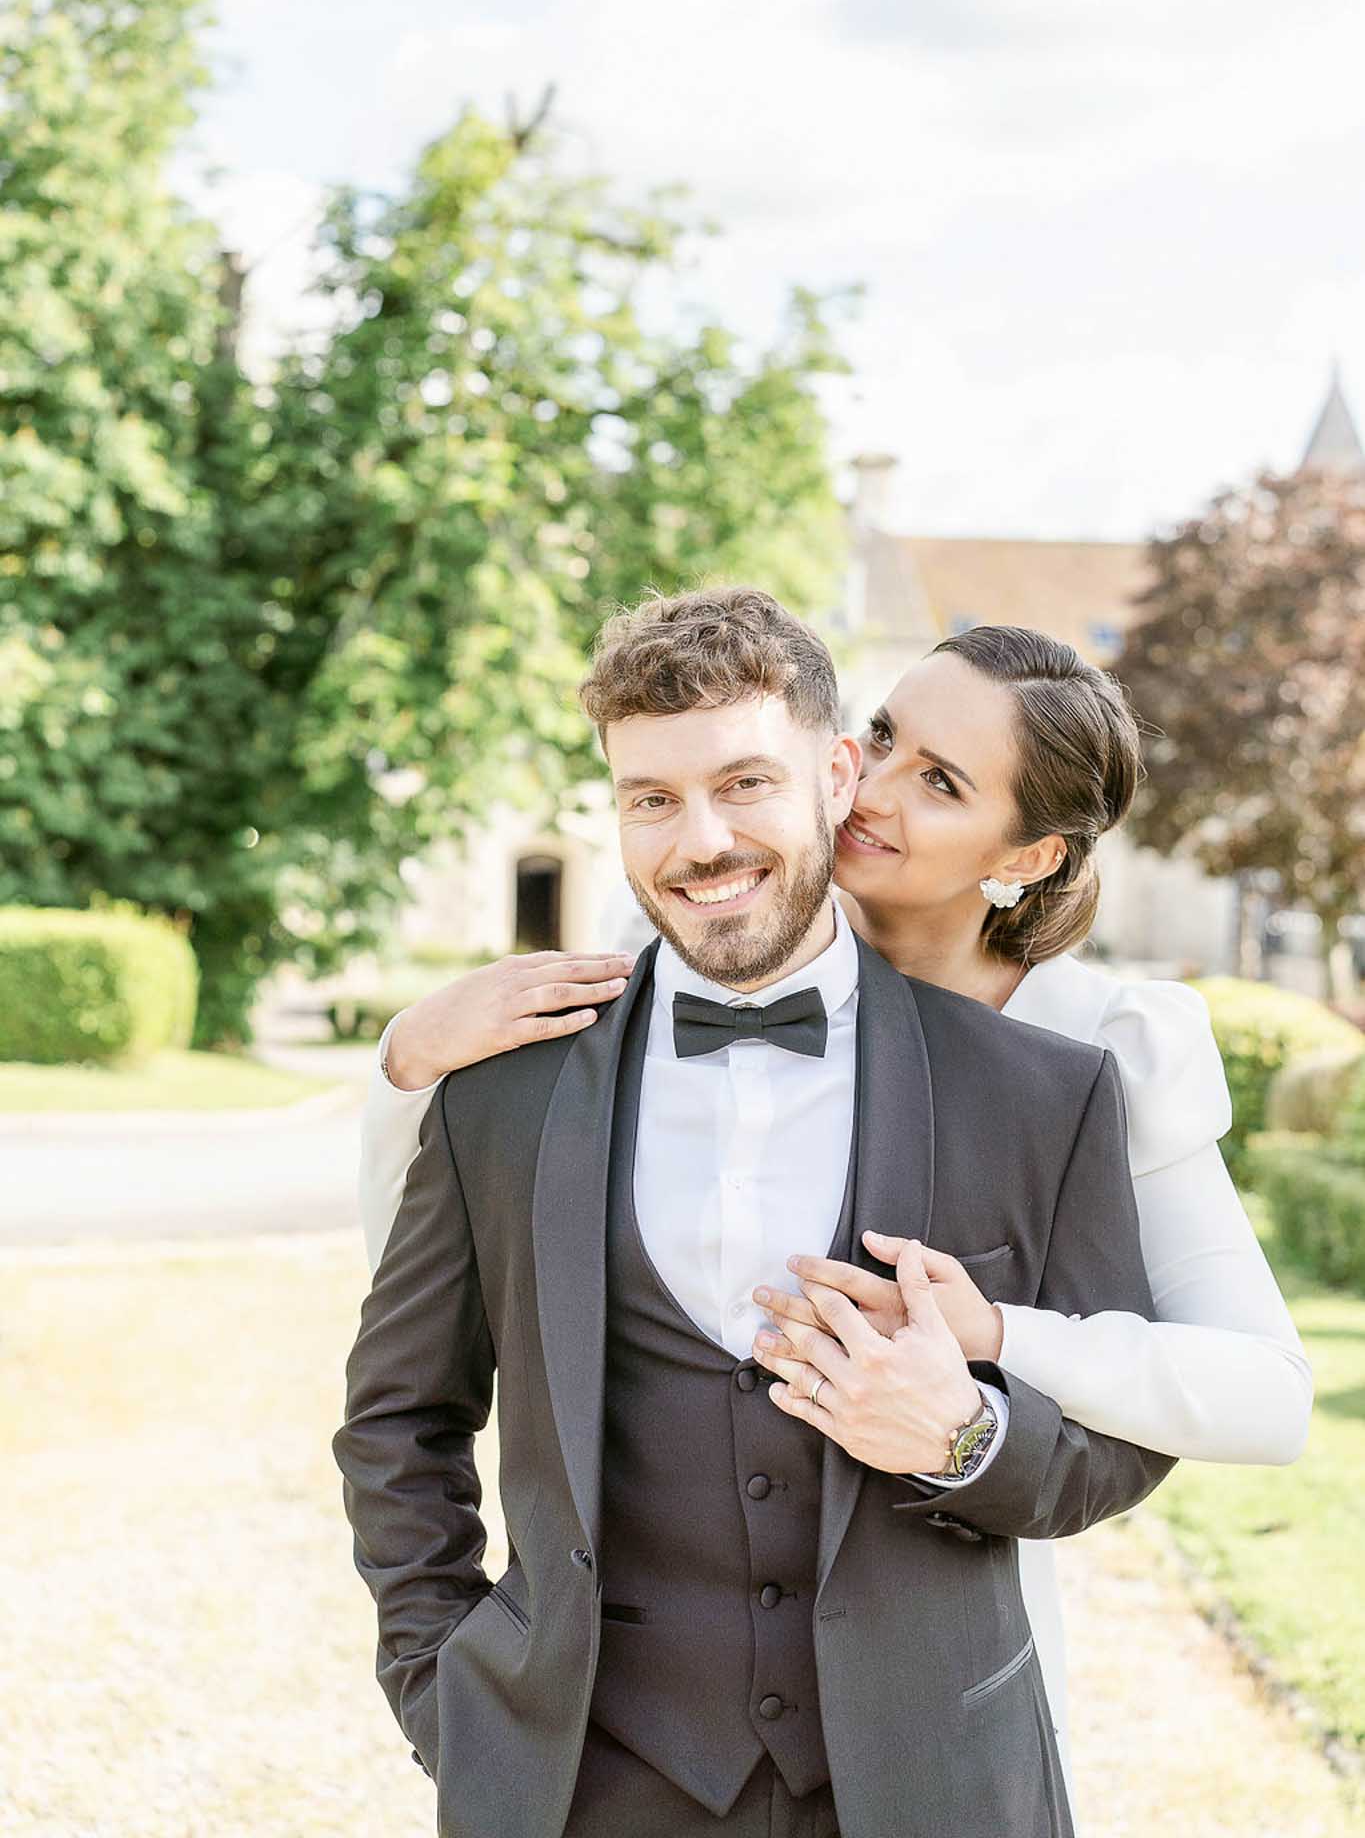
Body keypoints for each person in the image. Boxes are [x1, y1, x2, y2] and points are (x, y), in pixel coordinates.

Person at [355, 614, 1311, 1821]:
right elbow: (416, 1364)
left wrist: (983, 1369)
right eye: (886, 736)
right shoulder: (619, 989)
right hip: (595, 1764)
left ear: (1023, 853)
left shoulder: (1073, 1064)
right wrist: (449, 1690)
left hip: (930, 1734)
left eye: (944, 781)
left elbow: (1217, 1406)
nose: (875, 796)